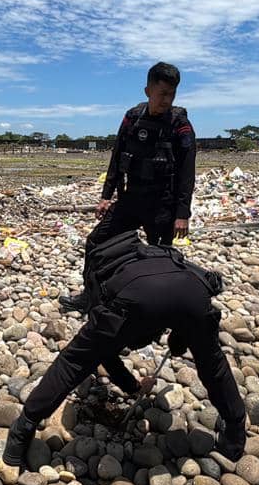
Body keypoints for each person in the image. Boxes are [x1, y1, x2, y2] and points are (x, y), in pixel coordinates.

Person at [4, 231, 246, 468]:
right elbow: (181, 314)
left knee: (72, 362)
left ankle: (22, 430)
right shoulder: (166, 258)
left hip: (138, 298)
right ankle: (234, 436)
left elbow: (101, 352)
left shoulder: (104, 282)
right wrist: (170, 351)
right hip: (193, 294)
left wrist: (131, 386)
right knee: (213, 365)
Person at [60, 62, 196, 313]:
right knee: (96, 243)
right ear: (148, 91)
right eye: (162, 93)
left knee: (161, 258)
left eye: (172, 94)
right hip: (130, 200)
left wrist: (182, 214)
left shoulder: (180, 125)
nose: (167, 100)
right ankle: (90, 298)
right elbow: (117, 155)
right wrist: (105, 196)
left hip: (162, 205)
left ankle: (160, 310)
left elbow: (188, 173)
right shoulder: (133, 117)